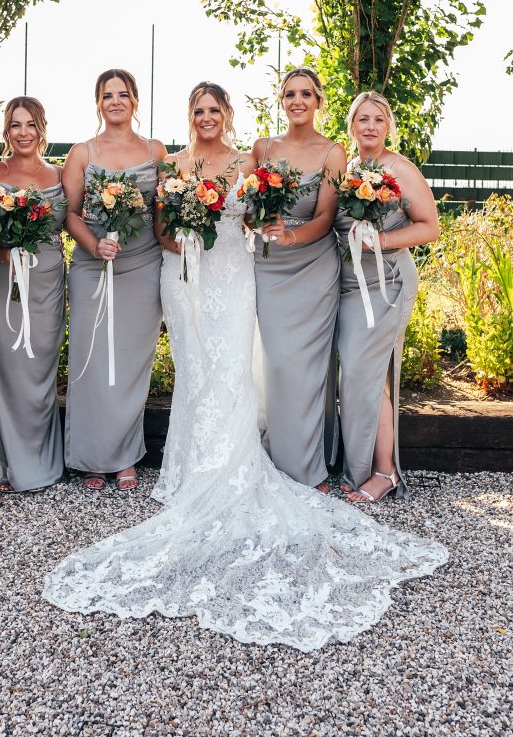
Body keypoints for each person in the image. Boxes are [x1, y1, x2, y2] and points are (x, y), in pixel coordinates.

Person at [43, 82, 447, 649]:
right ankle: (188, 464)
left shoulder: (247, 160)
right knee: (193, 369)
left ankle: (252, 461)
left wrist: (263, 231)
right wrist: (177, 235)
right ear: (190, 116)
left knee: (231, 368)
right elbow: (160, 229)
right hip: (184, 278)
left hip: (235, 275)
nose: (207, 117)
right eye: (199, 110)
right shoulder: (172, 161)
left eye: (215, 109)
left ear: (227, 113)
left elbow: (264, 215)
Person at [62, 69, 166, 491]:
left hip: (143, 264)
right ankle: (92, 456)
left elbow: (164, 210)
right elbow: (69, 213)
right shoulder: (82, 152)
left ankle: (124, 455)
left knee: (130, 362)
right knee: (90, 359)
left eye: (123, 94)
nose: (116, 102)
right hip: (92, 264)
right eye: (108, 96)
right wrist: (93, 244)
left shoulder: (156, 150)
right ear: (98, 103)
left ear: (135, 100)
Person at [336, 92, 439, 504]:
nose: (371, 126)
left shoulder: (401, 169)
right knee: (359, 377)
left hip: (388, 284)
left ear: (388, 125)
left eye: (379, 119)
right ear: (352, 126)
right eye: (363, 119)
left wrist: (381, 239)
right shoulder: (349, 169)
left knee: (369, 375)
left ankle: (384, 472)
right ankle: (362, 465)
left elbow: (429, 227)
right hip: (347, 288)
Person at [251, 68, 346, 491]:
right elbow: (249, 208)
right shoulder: (263, 148)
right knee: (278, 365)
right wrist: (263, 220)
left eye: (306, 94)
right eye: (290, 94)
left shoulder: (333, 153)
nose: (298, 101)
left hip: (313, 267)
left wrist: (292, 235)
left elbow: (325, 218)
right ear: (281, 100)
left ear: (319, 101)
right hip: (269, 267)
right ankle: (279, 457)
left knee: (307, 368)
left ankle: (308, 466)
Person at [0, 97, 66, 494]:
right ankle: (13, 466)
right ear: (6, 131)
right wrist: (4, 251)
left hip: (48, 277)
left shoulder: (60, 174)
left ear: (42, 127)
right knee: (9, 368)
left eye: (30, 123)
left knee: (40, 367)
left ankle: (45, 463)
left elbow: (73, 223)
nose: (23, 132)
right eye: (15, 125)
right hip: (4, 280)